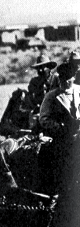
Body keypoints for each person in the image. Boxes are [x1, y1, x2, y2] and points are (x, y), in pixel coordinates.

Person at [39, 62, 80, 191]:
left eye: (69, 79)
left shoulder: (79, 91)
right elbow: (43, 119)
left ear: (73, 78)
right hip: (62, 139)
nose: (66, 82)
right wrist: (60, 128)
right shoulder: (51, 96)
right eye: (63, 78)